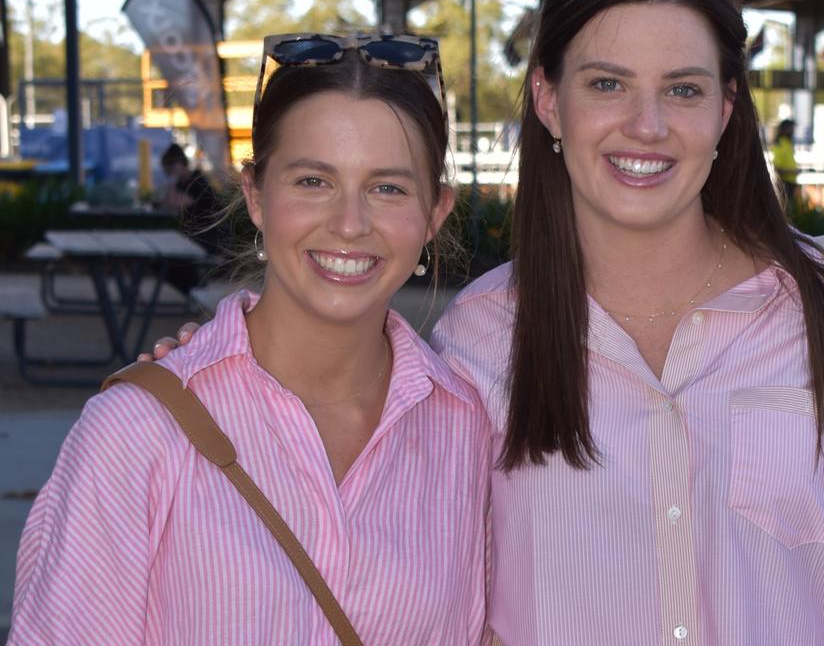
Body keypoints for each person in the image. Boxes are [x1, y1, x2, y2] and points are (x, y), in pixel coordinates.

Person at [146, 0, 824, 644]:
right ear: (549, 102)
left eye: (682, 89)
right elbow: (357, 504)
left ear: (724, 113)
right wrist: (196, 372)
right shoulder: (479, 340)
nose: (646, 126)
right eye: (607, 84)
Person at [9, 36, 490, 645]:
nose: (349, 223)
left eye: (388, 188)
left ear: (435, 214)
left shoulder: (469, 428)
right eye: (313, 181)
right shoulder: (137, 432)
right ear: (256, 195)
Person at [158, 142, 227, 294]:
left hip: (209, 238)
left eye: (169, 170)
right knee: (159, 261)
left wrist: (172, 181)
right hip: (195, 236)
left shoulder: (197, 181)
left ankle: (194, 290)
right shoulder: (183, 183)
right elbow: (166, 204)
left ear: (178, 165)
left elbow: (174, 205)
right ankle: (193, 291)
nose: (168, 174)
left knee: (167, 261)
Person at [770, 117, 799, 208]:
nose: (793, 131)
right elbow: (776, 167)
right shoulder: (780, 144)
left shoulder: (788, 143)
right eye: (791, 128)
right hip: (784, 183)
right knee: (785, 209)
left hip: (790, 183)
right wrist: (791, 172)